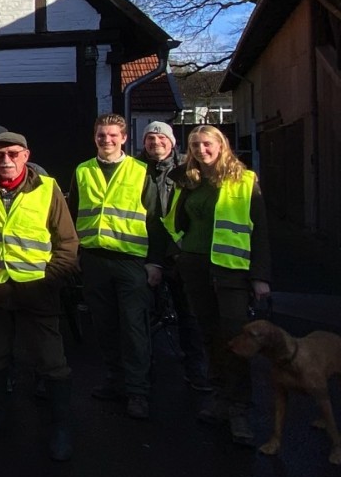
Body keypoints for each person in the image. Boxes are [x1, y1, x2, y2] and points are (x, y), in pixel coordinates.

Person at [0, 131, 79, 460]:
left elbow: (67, 244)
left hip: (36, 290)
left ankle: (60, 426)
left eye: (13, 154)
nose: (6, 161)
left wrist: (50, 279)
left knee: (51, 360)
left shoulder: (47, 188)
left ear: (26, 155)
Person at [161, 124, 271, 446]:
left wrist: (261, 276)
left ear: (221, 145)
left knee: (236, 337)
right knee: (208, 333)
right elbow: (174, 221)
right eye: (194, 145)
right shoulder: (188, 180)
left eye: (206, 144)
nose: (200, 150)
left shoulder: (244, 180)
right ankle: (220, 396)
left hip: (231, 271)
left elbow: (260, 230)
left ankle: (239, 408)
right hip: (194, 266)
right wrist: (176, 254)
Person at [69, 113, 162, 420]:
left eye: (112, 135)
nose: (106, 140)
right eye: (101, 135)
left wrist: (154, 263)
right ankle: (115, 380)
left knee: (134, 328)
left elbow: (155, 219)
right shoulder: (82, 171)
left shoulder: (140, 171)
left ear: (123, 138)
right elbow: (71, 216)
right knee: (105, 326)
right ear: (94, 137)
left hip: (131, 262)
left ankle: (138, 391)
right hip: (95, 261)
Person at [139, 121, 210, 392]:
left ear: (171, 142)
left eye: (161, 138)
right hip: (146, 252)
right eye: (150, 139)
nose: (156, 143)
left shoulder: (189, 171)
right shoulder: (134, 170)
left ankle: (196, 370)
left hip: (182, 254)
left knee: (189, 315)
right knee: (143, 315)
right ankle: (145, 372)